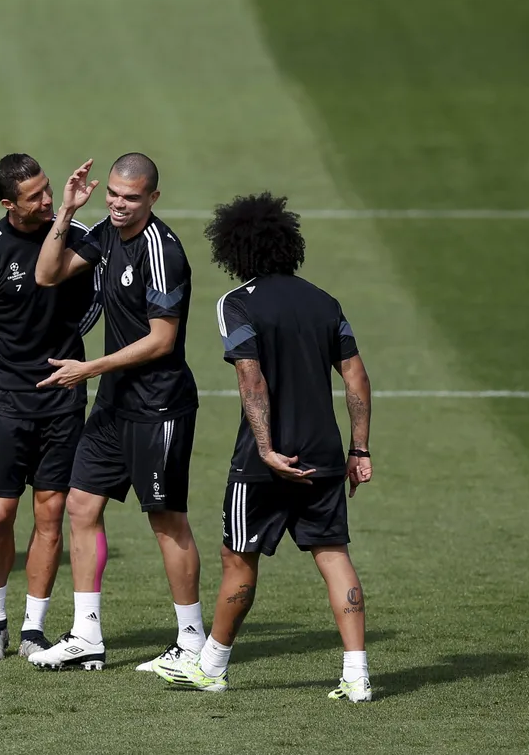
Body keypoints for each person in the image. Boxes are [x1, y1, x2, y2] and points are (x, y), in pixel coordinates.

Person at [153, 192, 375, 700]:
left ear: (235, 249)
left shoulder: (237, 303)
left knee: (240, 558)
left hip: (263, 462)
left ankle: (211, 666)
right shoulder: (324, 302)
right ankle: (357, 677)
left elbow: (251, 380)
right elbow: (356, 377)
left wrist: (267, 449)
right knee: (333, 554)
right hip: (323, 454)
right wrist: (358, 451)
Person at [26, 154, 204, 671]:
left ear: (153, 197)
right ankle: (86, 634)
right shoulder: (104, 232)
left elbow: (163, 339)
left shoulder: (162, 252)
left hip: (160, 406)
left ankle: (191, 642)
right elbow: (47, 272)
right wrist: (65, 209)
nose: (119, 206)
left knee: (167, 521)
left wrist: (90, 367)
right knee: (81, 506)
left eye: (131, 198)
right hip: (116, 403)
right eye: (114, 196)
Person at [0, 154, 102, 661]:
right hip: (8, 404)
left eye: (48, 189)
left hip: (63, 398)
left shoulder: (74, 235)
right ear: (8, 203)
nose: (48, 200)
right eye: (35, 196)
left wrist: (70, 344)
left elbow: (96, 295)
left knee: (51, 513)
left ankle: (34, 626)